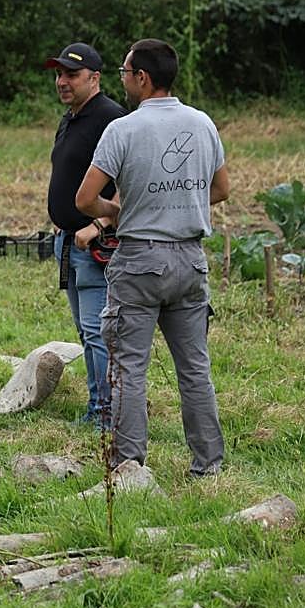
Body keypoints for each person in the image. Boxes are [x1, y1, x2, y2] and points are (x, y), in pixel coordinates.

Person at [75, 38, 229, 476]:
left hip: (140, 261)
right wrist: (181, 205)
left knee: (129, 368)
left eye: (124, 74)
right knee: (195, 369)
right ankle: (208, 466)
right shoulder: (202, 124)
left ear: (142, 78)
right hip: (190, 261)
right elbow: (221, 190)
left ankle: (129, 465)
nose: (123, 81)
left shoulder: (123, 129)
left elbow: (86, 199)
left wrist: (115, 210)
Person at [44, 43, 126, 427]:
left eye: (71, 75)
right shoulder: (71, 117)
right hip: (68, 242)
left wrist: (99, 224)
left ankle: (108, 415)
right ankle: (99, 406)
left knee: (98, 333)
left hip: (95, 244)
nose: (62, 81)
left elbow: (131, 181)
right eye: (59, 74)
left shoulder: (112, 118)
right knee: (85, 331)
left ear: (94, 78)